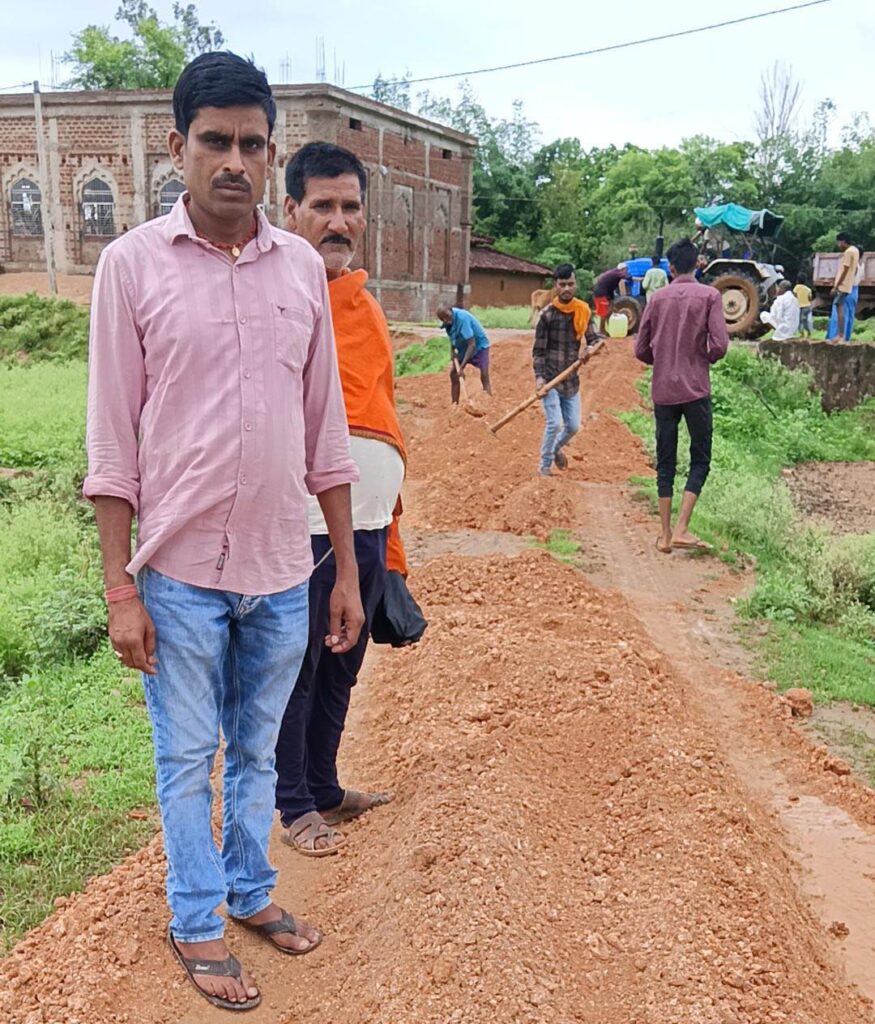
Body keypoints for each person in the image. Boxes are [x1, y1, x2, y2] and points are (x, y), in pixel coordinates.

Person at [83, 52, 363, 1012]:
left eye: (252, 143)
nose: (235, 161)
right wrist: (119, 589)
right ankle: (194, 916)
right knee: (184, 755)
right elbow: (111, 443)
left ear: (270, 151)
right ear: (179, 148)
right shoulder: (131, 267)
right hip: (179, 573)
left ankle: (248, 892)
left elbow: (325, 432)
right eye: (215, 141)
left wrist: (344, 572)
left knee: (256, 751)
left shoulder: (301, 269)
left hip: (283, 567)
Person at [276, 141, 407, 856]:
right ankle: (293, 803)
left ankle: (324, 786)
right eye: (322, 205)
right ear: (290, 210)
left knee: (342, 663)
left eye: (350, 206)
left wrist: (390, 530)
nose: (338, 221)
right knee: (297, 665)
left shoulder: (365, 308)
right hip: (302, 526)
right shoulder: (276, 297)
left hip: (368, 522)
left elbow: (381, 416)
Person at [634, 238, 729, 554]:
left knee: (665, 461)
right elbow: (720, 345)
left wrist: (661, 360)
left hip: (664, 390)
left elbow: (640, 349)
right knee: (700, 457)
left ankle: (664, 535)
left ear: (671, 268)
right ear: (697, 264)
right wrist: (702, 358)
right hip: (696, 388)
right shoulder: (710, 296)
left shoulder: (657, 299)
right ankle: (682, 527)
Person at [533, 262, 597, 476]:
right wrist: (540, 378)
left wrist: (589, 349)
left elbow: (595, 340)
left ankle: (554, 449)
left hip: (571, 380)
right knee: (555, 423)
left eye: (571, 284)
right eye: (562, 284)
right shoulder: (547, 315)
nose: (567, 288)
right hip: (550, 378)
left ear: (575, 284)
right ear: (556, 286)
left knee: (573, 426)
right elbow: (538, 351)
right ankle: (543, 468)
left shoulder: (583, 311)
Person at [436, 303, 492, 401]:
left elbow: (472, 344)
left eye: (447, 316)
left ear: (451, 310)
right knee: (454, 374)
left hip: (478, 345)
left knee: (484, 373)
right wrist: (452, 351)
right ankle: (455, 404)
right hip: (462, 346)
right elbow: (452, 337)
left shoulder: (463, 319)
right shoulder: (447, 322)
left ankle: (488, 401)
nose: (446, 320)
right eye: (443, 319)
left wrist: (461, 368)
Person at [827, 232, 862, 342]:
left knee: (839, 310)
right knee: (844, 311)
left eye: (838, 242)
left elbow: (845, 270)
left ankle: (840, 335)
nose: (838, 245)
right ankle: (843, 336)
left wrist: (836, 286)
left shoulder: (848, 252)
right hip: (850, 286)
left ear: (842, 241)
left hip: (843, 286)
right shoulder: (855, 250)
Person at [592, 264, 631, 333]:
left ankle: (609, 329)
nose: (627, 271)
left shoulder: (614, 274)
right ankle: (601, 331)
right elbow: (627, 277)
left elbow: (611, 288)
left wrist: (611, 300)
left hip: (605, 293)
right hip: (601, 294)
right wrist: (635, 278)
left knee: (610, 310)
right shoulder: (617, 272)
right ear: (623, 269)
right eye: (626, 270)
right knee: (604, 313)